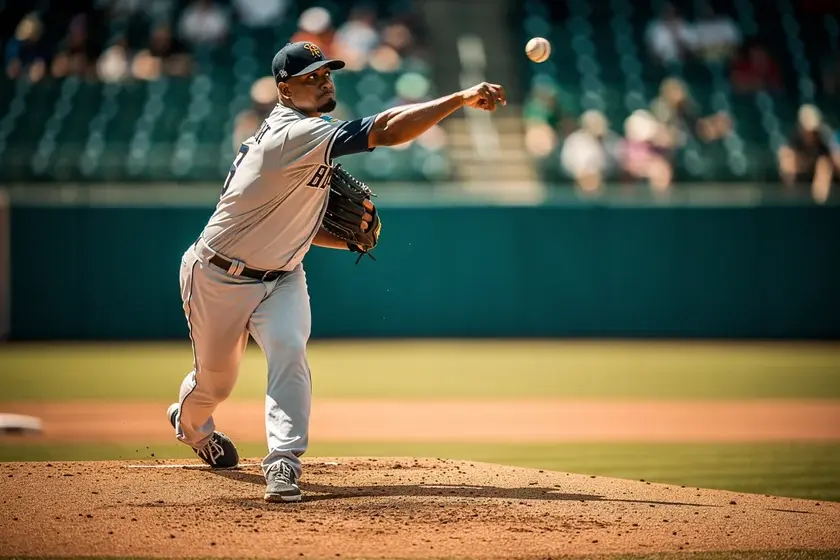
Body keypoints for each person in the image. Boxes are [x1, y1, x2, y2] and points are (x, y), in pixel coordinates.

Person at [166, 41, 505, 503]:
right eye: (312, 76)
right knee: (215, 382)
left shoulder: (309, 133)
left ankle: (283, 462)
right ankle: (192, 428)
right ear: (284, 90)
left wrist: (342, 238)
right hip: (218, 275)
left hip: (282, 275)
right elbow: (383, 129)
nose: (325, 80)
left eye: (327, 73)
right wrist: (459, 99)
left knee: (288, 349)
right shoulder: (290, 136)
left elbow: (293, 225)